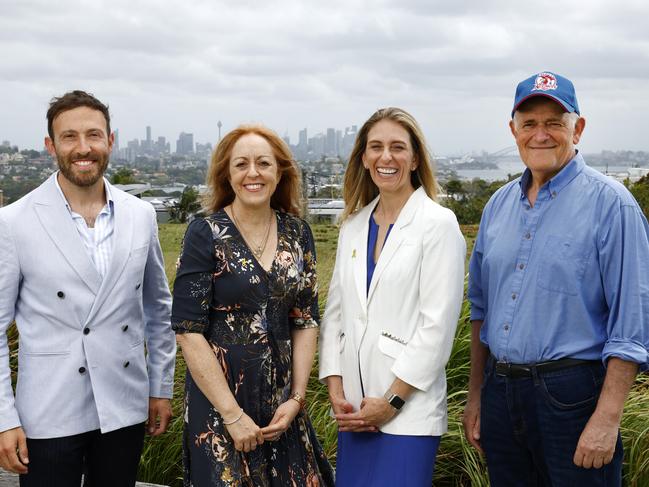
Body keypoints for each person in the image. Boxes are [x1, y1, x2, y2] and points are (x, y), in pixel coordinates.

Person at [464, 71, 649, 485]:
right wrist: (477, 395)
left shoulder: (612, 205)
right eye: (529, 123)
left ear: (577, 129)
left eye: (554, 122)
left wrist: (607, 419)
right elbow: (481, 308)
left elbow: (631, 324)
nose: (540, 134)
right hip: (500, 391)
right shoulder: (497, 206)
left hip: (574, 397)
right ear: (513, 130)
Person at [0, 90, 176, 486]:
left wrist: (160, 387)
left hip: (123, 402)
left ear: (111, 141)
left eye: (94, 135)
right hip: (48, 410)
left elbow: (158, 310)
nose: (84, 148)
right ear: (50, 145)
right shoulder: (13, 222)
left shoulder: (141, 214)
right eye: (70, 137)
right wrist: (4, 419)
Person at [171, 124, 334, 486]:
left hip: (282, 410)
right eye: (241, 164)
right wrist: (232, 415)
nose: (253, 173)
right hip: (221, 408)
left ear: (279, 172)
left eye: (263, 163)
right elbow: (188, 331)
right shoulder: (206, 233)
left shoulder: (298, 233)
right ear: (227, 175)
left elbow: (306, 321)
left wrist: (297, 399)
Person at [318, 107, 466, 486]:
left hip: (407, 414)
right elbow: (335, 314)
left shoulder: (438, 224)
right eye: (376, 147)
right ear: (364, 158)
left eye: (398, 147)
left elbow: (437, 328)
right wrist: (337, 390)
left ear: (415, 158)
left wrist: (392, 402)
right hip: (355, 412)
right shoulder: (352, 226)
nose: (387, 157)